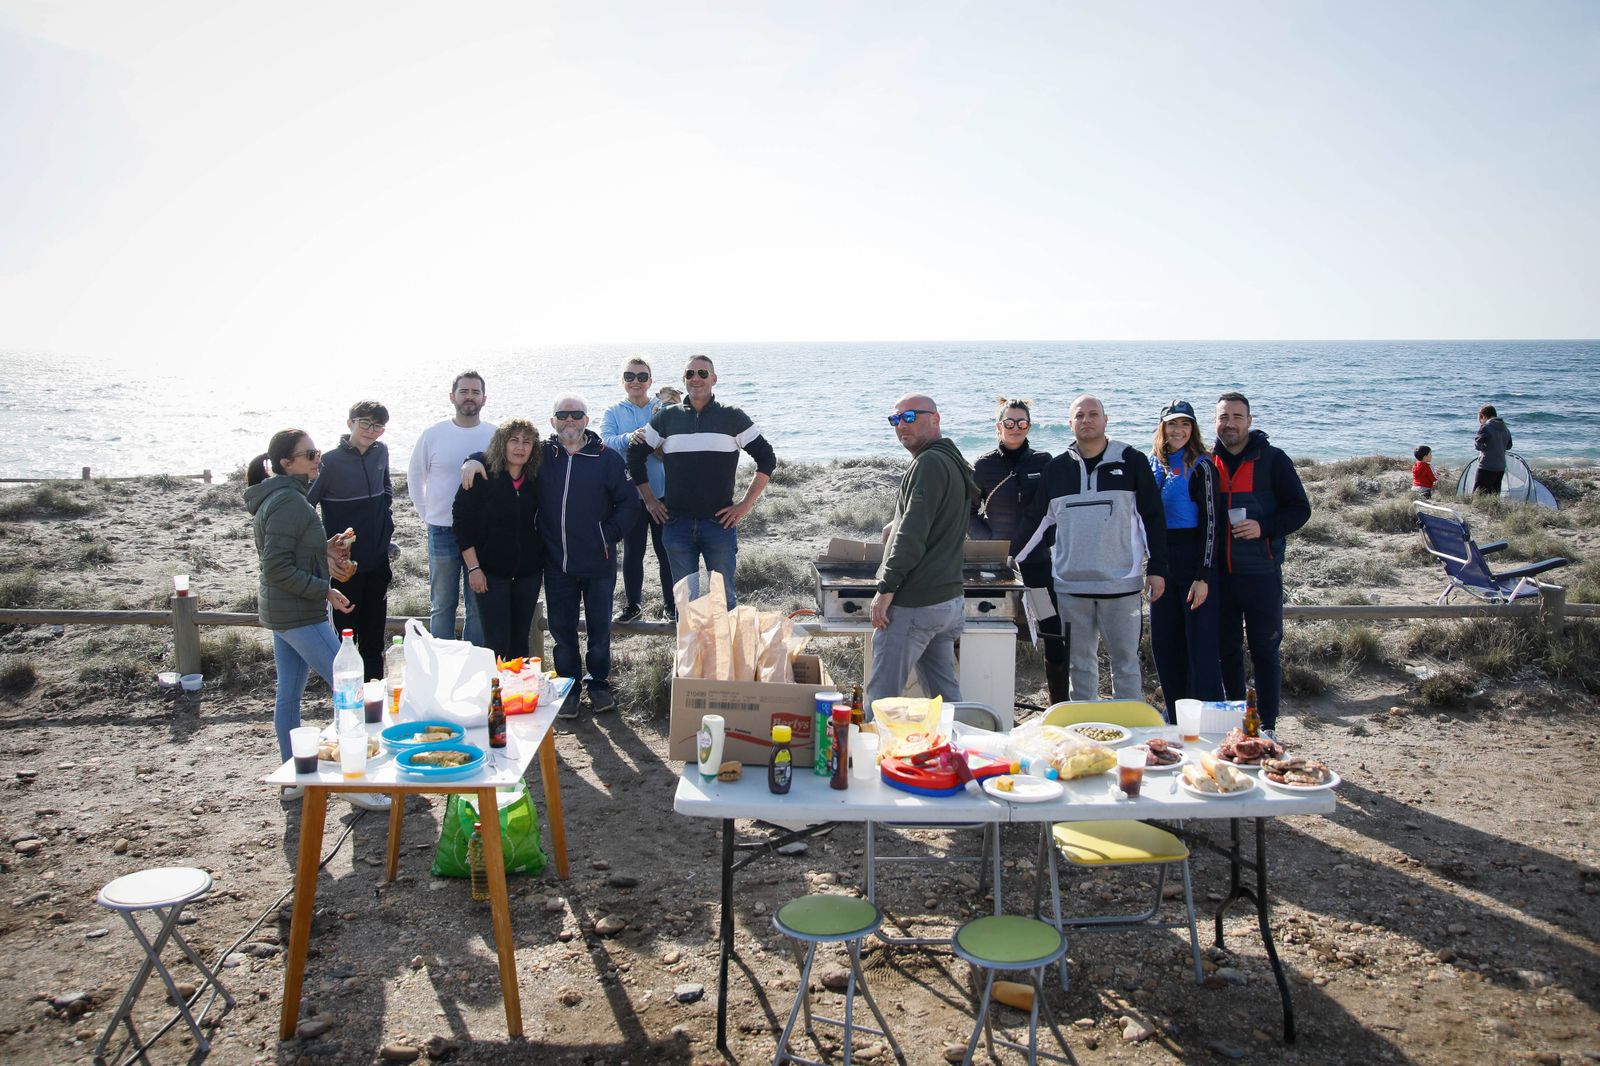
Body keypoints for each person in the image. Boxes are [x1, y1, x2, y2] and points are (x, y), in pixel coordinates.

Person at [245, 429, 386, 810]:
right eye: (308, 454)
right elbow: (275, 566)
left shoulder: (281, 497)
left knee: (288, 695)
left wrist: (325, 547)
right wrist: (324, 589)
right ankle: (353, 780)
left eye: (317, 451)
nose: (316, 459)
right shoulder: (289, 502)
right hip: (299, 613)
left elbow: (290, 551)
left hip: (283, 613)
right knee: (349, 692)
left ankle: (297, 778)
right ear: (286, 463)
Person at [1013, 394, 1167, 702]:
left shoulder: (1131, 461)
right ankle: (1085, 730)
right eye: (1079, 416)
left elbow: (1152, 518)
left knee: (1125, 666)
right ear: (1070, 424)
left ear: (1106, 420)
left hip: (1121, 587)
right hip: (1071, 588)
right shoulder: (1056, 469)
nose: (1086, 420)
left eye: (1093, 414)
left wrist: (1158, 569)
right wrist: (1008, 560)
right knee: (1079, 666)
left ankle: (1129, 731)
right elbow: (1036, 522)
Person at [627, 355, 776, 609]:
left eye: (702, 374)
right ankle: (692, 651)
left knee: (724, 602)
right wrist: (650, 500)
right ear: (683, 380)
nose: (696, 378)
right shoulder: (667, 418)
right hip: (676, 525)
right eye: (690, 374)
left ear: (714, 379)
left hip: (719, 525)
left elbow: (767, 458)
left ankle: (724, 651)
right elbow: (634, 454)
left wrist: (744, 506)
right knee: (686, 605)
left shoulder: (733, 417)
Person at [864, 395, 978, 714]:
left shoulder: (928, 462)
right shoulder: (952, 460)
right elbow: (934, 516)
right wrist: (897, 521)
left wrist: (885, 589)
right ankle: (960, 752)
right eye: (895, 419)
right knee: (945, 698)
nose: (902, 425)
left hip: (917, 602)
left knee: (881, 701)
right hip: (948, 602)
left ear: (935, 418)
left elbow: (912, 535)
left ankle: (872, 760)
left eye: (910, 416)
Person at [1212, 392, 1312, 737]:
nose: (1230, 424)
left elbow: (1300, 509)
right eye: (1224, 417)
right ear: (1215, 422)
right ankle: (1237, 723)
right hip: (1221, 577)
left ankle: (1266, 726)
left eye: (1237, 417)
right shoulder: (1207, 462)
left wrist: (1263, 527)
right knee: (1227, 652)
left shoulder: (1273, 460)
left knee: (1265, 651)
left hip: (1261, 574)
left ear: (1250, 421)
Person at [536, 395, 641, 717]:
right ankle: (568, 687)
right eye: (563, 415)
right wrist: (472, 459)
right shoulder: (541, 456)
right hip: (557, 561)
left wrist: (607, 534)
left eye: (576, 414)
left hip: (599, 560)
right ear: (553, 421)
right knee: (562, 631)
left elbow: (629, 503)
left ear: (586, 419)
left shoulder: (606, 459)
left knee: (599, 630)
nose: (570, 420)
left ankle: (598, 684)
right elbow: (499, 453)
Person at [968, 398, 1068, 704]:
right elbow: (968, 512)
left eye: (1021, 423)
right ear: (999, 426)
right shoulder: (984, 466)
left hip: (1036, 564)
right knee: (992, 627)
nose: (1015, 428)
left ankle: (1058, 704)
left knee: (1051, 629)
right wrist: (991, 542)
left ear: (1029, 426)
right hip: (996, 569)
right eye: (1009, 422)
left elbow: (1055, 508)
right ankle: (991, 700)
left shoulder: (1043, 461)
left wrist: (1045, 540)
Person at [1147, 400, 1224, 718]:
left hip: (1194, 559)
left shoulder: (1202, 465)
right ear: (1162, 427)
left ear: (1193, 429)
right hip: (1162, 561)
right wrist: (1152, 566)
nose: (1178, 431)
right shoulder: (1154, 461)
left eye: (1185, 424)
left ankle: (1206, 715)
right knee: (1165, 641)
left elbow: (1212, 522)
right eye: (1172, 424)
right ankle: (1176, 713)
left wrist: (1203, 575)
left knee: (1200, 644)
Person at [307, 400, 394, 681]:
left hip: (378, 561)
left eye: (378, 425)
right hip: (345, 567)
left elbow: (386, 489)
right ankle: (345, 698)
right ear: (350, 424)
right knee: (345, 638)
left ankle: (374, 699)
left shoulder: (382, 452)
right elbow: (306, 506)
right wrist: (325, 550)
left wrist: (386, 526)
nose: (371, 430)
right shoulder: (329, 461)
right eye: (365, 423)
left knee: (373, 638)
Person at [408, 371, 495, 643]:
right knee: (442, 605)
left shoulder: (494, 435)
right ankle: (442, 667)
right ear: (452, 396)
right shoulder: (433, 434)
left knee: (478, 606)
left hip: (481, 535)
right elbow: (415, 478)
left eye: (475, 392)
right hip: (442, 531)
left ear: (484, 398)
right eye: (464, 391)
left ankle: (474, 667)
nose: (469, 397)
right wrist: (430, 516)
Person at [452, 419, 544, 661]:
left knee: (520, 644)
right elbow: (461, 522)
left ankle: (520, 696)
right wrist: (473, 568)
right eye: (514, 440)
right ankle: (495, 697)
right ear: (501, 444)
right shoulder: (482, 474)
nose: (520, 447)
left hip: (529, 574)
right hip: (490, 573)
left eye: (527, 442)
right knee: (496, 644)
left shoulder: (536, 479)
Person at [601, 358, 674, 623]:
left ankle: (672, 606)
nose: (636, 381)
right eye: (629, 376)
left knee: (666, 550)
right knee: (633, 552)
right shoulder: (613, 412)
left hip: (664, 493)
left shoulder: (662, 408)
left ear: (650, 381)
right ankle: (632, 605)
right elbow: (606, 442)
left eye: (642, 377)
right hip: (629, 496)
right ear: (622, 381)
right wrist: (631, 437)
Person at [1473, 405, 1513, 496]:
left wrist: (1486, 448)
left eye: (1480, 419)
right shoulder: (1505, 428)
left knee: (1478, 494)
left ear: (1483, 416)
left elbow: (1478, 445)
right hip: (1500, 466)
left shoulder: (1486, 427)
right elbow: (1509, 446)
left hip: (1486, 466)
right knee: (1494, 495)